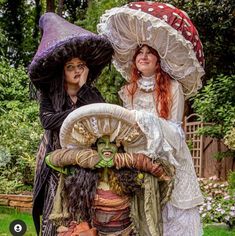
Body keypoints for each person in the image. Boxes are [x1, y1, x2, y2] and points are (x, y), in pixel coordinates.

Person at [98, 2, 205, 235]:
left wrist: (145, 119)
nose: (144, 56)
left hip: (172, 159)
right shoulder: (128, 91)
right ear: (134, 59)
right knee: (142, 216)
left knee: (173, 216)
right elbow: (127, 128)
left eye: (150, 53)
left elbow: (176, 133)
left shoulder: (173, 87)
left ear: (158, 60)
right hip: (139, 160)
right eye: (140, 52)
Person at [28, 12, 114, 235]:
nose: (77, 70)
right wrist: (77, 113)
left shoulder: (92, 94)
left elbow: (101, 120)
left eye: (81, 65)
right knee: (54, 214)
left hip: (85, 165)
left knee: (82, 220)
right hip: (56, 162)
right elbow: (48, 121)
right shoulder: (50, 95)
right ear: (62, 71)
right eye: (70, 67)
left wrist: (84, 90)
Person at [44, 103, 175, 235]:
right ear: (96, 148)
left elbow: (164, 174)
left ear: (118, 147)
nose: (107, 147)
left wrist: (124, 160)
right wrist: (88, 158)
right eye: (102, 143)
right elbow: (50, 159)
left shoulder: (132, 175)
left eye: (112, 143)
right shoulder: (83, 174)